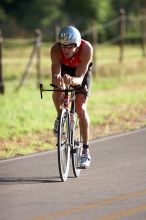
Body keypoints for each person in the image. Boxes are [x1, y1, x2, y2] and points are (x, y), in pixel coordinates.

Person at [50, 25, 93, 168]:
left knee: (80, 108)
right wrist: (57, 78)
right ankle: (59, 116)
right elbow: (55, 70)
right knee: (56, 90)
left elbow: (80, 79)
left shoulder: (86, 49)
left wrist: (72, 81)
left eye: (70, 47)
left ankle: (85, 152)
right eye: (63, 46)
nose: (66, 50)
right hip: (66, 69)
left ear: (77, 45)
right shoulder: (56, 50)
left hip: (81, 71)